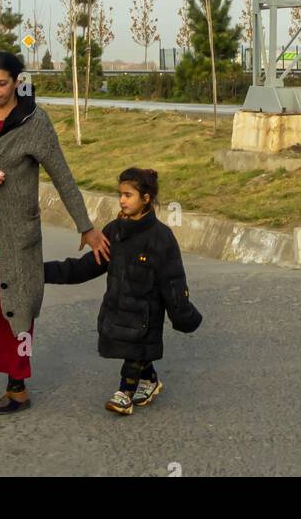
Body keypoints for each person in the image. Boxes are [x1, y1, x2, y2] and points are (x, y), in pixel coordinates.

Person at [0, 52, 110, 420]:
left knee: (18, 311)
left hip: (16, 238)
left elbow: (62, 176)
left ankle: (17, 387)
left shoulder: (36, 122)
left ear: (17, 82)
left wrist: (87, 227)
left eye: (2, 83)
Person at [43, 167, 202, 415]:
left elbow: (173, 283)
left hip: (145, 315)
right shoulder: (114, 231)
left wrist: (183, 314)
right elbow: (84, 268)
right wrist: (41, 272)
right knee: (133, 349)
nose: (122, 200)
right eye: (121, 195)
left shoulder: (161, 237)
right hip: (117, 308)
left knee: (135, 350)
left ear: (146, 198)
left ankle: (124, 393)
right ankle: (149, 381)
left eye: (128, 195)